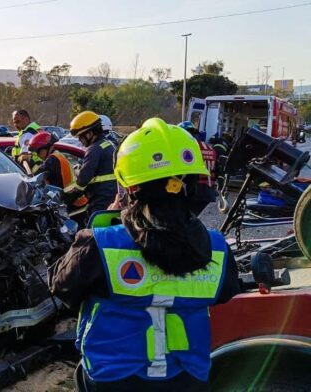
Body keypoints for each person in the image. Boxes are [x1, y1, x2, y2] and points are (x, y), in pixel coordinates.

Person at [51, 117, 240, 392]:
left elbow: (61, 287)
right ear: (188, 183)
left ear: (128, 186)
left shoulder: (100, 245)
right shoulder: (218, 249)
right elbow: (225, 292)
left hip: (112, 379)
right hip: (188, 379)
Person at [65, 111, 118, 221]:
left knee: (95, 233)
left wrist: (68, 196)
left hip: (101, 199)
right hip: (112, 196)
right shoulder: (108, 144)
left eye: (81, 137)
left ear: (89, 134)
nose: (80, 140)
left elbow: (83, 179)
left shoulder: (94, 149)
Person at [28, 131, 89, 219]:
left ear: (48, 147)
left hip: (72, 203)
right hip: (73, 200)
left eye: (38, 151)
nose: (37, 155)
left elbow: (36, 176)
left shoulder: (53, 159)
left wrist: (30, 163)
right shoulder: (57, 155)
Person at [179, 121, 218, 215]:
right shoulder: (208, 147)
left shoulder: (190, 147)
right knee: (191, 217)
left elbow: (185, 168)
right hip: (209, 190)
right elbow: (217, 168)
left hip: (197, 190)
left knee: (186, 217)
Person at [11, 109, 41, 174]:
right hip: (38, 167)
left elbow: (24, 157)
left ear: (26, 120)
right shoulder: (35, 128)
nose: (16, 125)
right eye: (14, 122)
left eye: (18, 122)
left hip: (32, 169)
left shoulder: (27, 134)